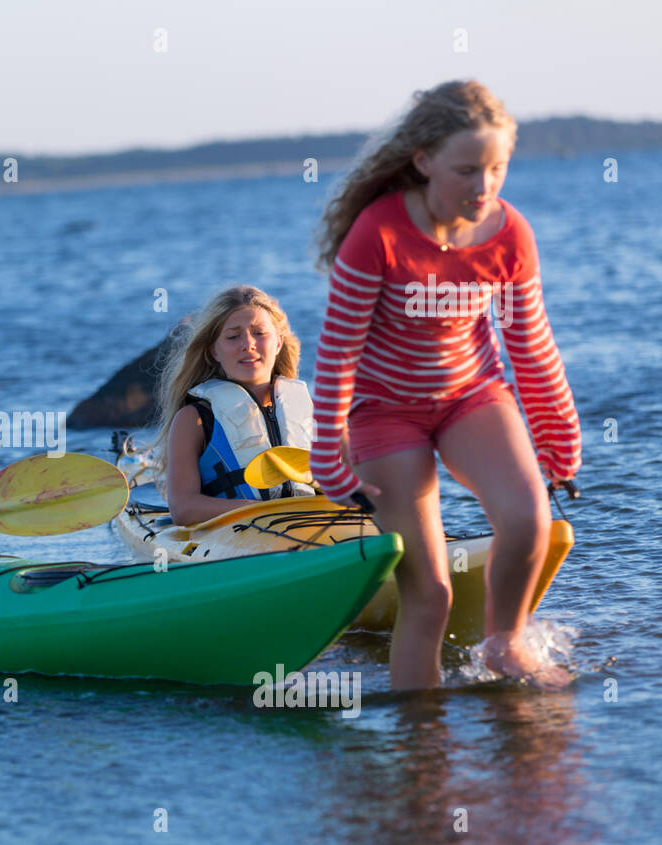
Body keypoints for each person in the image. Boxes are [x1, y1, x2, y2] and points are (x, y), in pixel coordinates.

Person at [310, 80, 580, 689]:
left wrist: (558, 437)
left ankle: (505, 644)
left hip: (471, 397)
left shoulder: (510, 235)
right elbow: (337, 355)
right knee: (428, 594)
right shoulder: (375, 234)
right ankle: (419, 748)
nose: (483, 187)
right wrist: (329, 452)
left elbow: (530, 345)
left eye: (497, 168)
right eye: (467, 170)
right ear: (424, 161)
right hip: (385, 413)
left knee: (529, 518)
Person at [152, 285, 315, 528]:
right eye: (233, 336)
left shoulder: (311, 411)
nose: (248, 344)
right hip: (235, 536)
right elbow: (183, 509)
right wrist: (261, 512)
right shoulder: (194, 420)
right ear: (213, 351)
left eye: (259, 333)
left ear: (279, 343)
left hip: (312, 524)